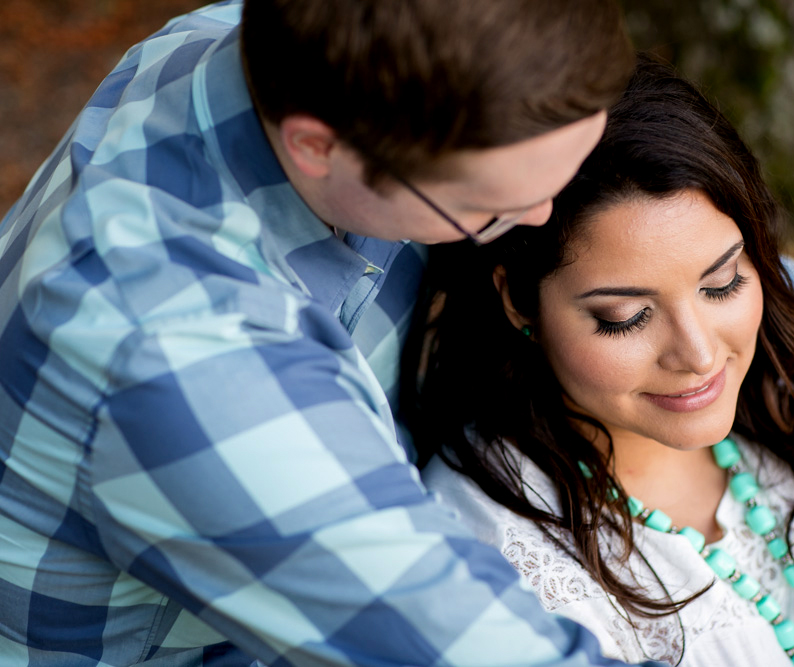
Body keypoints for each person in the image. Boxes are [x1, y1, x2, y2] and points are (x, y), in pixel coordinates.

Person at [0, 1, 646, 665]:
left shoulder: (256, 40)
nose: (540, 215)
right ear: (316, 146)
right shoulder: (188, 360)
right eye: (487, 207)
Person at [411, 54, 794, 666]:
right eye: (626, 317)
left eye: (722, 283)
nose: (698, 354)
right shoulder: (489, 545)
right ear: (517, 300)